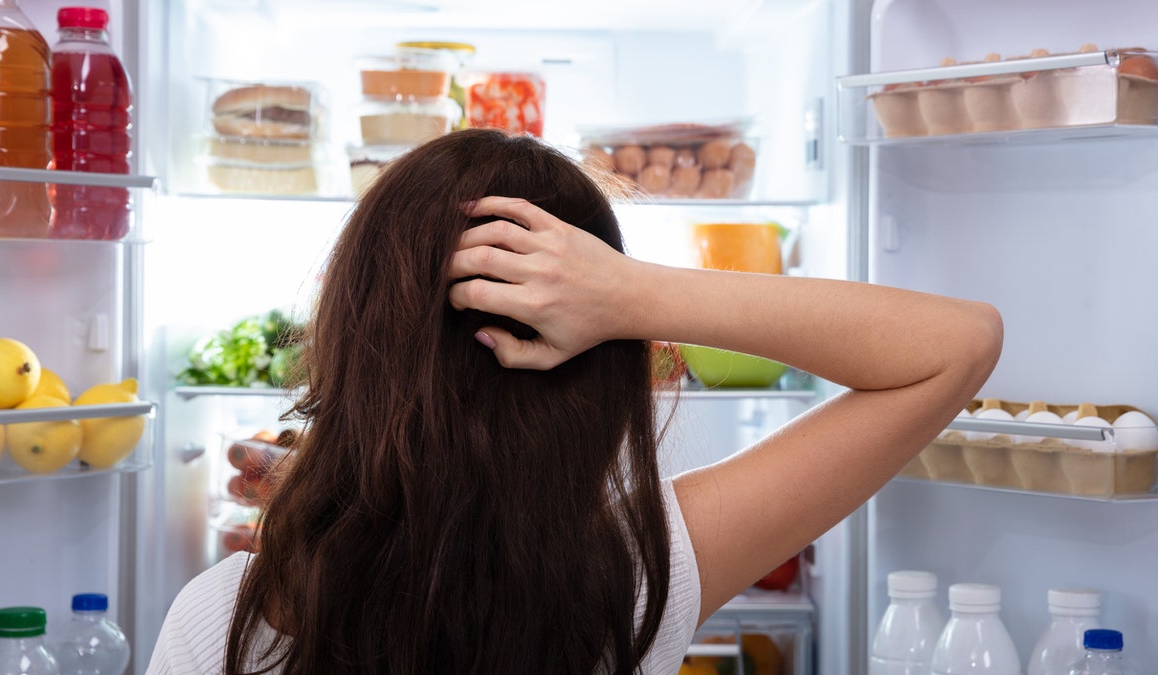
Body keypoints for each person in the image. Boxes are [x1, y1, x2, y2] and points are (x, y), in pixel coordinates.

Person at [147, 129, 1002, 674]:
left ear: (352, 340)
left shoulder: (226, 615)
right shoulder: (632, 584)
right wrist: (633, 293)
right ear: (602, 377)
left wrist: (361, 497)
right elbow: (957, 345)